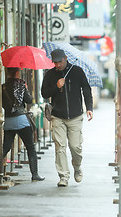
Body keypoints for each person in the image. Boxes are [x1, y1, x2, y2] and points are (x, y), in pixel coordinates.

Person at [41, 49, 93, 187]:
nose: (58, 65)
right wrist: (56, 86)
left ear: (65, 58)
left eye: (60, 61)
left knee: (75, 147)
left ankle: (77, 166)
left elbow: (87, 90)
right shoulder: (50, 74)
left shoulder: (77, 71)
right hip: (58, 116)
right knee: (60, 147)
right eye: (55, 62)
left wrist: (89, 108)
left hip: (76, 116)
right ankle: (63, 176)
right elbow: (44, 93)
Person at [0, 67, 45, 182]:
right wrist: (26, 89)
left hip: (9, 121)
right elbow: (29, 100)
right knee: (30, 147)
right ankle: (35, 175)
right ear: (17, 72)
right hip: (21, 120)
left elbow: (3, 104)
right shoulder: (21, 85)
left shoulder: (3, 87)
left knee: (5, 149)